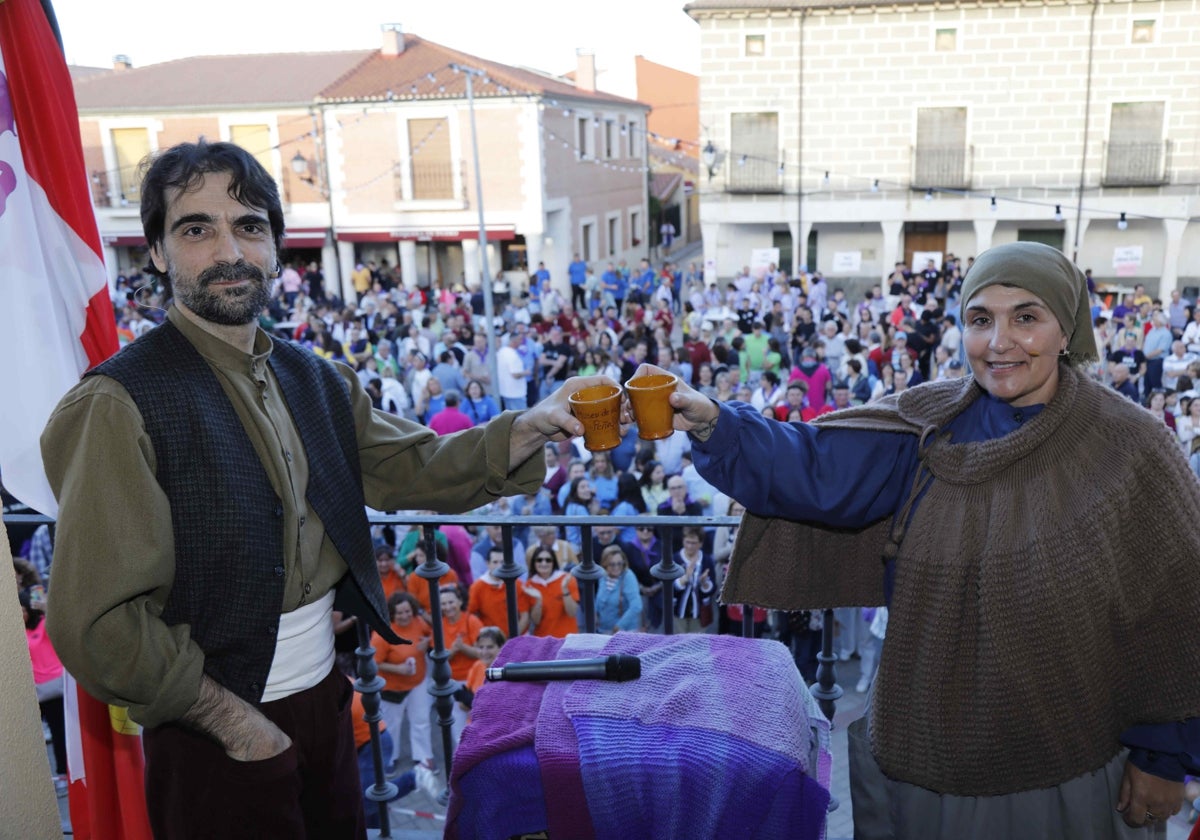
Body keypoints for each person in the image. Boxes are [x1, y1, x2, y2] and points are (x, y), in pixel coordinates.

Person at [39, 140, 618, 839]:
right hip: (214, 729)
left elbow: (416, 466)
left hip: (326, 705)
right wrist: (237, 724)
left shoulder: (314, 377)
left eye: (249, 226)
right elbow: (96, 625)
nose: (229, 249)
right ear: (157, 253)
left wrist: (528, 427)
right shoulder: (116, 403)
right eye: (196, 228)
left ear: (277, 249)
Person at [636, 241, 1200, 838]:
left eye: (1027, 318)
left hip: (1071, 769)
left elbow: (1178, 611)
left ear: (1068, 330)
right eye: (981, 320)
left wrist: (1164, 756)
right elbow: (816, 463)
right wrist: (713, 422)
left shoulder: (1130, 447)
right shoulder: (929, 424)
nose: (1000, 341)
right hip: (925, 754)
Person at [372, 593, 434, 776]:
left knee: (421, 719)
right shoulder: (382, 632)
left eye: (408, 611)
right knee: (392, 724)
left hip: (418, 682)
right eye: (400, 613)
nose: (405, 616)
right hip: (393, 688)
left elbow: (429, 635)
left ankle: (423, 757)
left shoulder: (419, 621)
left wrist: (427, 643)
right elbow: (374, 663)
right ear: (391, 614)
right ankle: (389, 759)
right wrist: (398, 669)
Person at [589, 544, 642, 634]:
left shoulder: (628, 576)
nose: (616, 567)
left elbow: (636, 606)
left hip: (624, 633)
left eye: (619, 563)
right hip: (603, 631)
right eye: (612, 564)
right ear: (604, 564)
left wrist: (619, 626)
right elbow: (599, 599)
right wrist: (595, 615)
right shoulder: (603, 575)